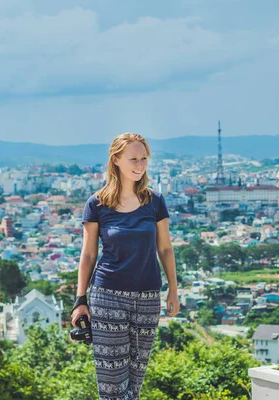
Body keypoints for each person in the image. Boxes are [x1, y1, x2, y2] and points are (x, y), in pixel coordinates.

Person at [71, 133, 180, 400]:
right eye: (133, 159)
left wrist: (173, 291)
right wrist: (80, 299)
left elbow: (165, 248)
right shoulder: (97, 204)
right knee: (111, 385)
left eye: (144, 158)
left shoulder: (155, 201)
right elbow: (88, 255)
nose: (140, 164)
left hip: (147, 299)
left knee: (135, 382)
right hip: (108, 297)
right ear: (116, 160)